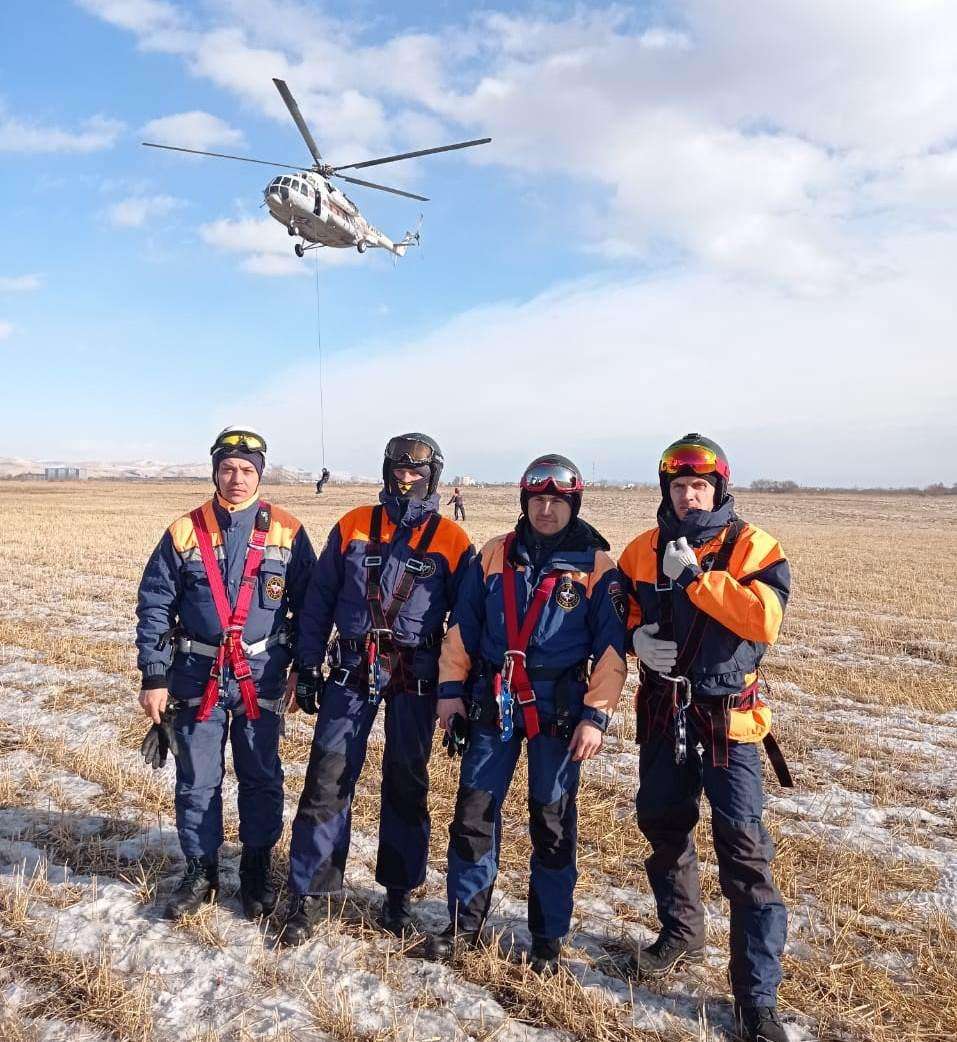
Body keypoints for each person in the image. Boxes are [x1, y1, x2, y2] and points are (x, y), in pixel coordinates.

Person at [618, 434, 792, 1042]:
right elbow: (621, 613)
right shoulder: (641, 551)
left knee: (744, 851)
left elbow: (762, 619)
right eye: (678, 487)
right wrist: (635, 638)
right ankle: (681, 931)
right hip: (664, 712)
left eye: (700, 486)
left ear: (718, 487)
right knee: (663, 824)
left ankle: (755, 997)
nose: (689, 497)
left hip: (729, 722)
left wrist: (695, 576)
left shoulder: (753, 547)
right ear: (665, 490)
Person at [427, 454, 627, 973]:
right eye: (536, 500)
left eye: (556, 502)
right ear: (524, 502)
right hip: (492, 704)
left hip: (558, 713)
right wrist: (450, 691)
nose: (545, 510)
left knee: (552, 822)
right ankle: (462, 923)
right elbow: (463, 626)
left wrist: (595, 716)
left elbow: (611, 652)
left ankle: (547, 938)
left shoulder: (597, 567)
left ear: (572, 505)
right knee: (474, 814)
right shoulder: (494, 554)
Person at [280, 433, 475, 945]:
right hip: (350, 668)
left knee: (406, 783)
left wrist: (459, 692)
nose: (405, 479)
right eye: (398, 470)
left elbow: (468, 624)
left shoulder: (453, 541)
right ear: (386, 471)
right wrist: (307, 664)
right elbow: (320, 597)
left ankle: (398, 896)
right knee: (327, 775)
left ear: (432, 475)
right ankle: (309, 893)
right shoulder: (352, 525)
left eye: (416, 472)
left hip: (416, 678)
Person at [135, 426, 316, 921]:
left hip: (263, 676)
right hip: (196, 675)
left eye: (247, 470)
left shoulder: (289, 531)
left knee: (261, 776)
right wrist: (154, 675)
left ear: (260, 474)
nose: (237, 478)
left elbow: (310, 608)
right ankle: (201, 869)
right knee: (197, 779)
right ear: (215, 470)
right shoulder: (184, 530)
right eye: (228, 468)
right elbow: (154, 604)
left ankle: (257, 866)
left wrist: (303, 668)